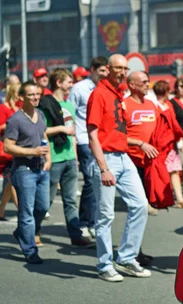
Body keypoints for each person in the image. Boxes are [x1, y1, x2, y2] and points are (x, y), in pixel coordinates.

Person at [87, 54, 150, 282]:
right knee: (105, 215)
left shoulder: (118, 93)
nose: (122, 72)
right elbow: (92, 134)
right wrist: (103, 168)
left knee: (140, 205)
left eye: (125, 68)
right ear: (107, 69)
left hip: (123, 157)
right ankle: (104, 264)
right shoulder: (99, 94)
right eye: (118, 68)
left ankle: (126, 257)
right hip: (107, 159)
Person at [40, 68, 93, 247]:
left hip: (70, 158)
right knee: (45, 201)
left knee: (70, 200)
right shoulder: (46, 104)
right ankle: (33, 231)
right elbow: (42, 131)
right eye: (69, 82)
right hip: (54, 159)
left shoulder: (69, 106)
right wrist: (61, 129)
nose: (71, 85)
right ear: (58, 83)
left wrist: (76, 158)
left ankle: (75, 235)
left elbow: (74, 135)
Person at [3, 81, 51, 264]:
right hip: (24, 171)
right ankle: (30, 250)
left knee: (43, 207)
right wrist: (33, 152)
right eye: (31, 95)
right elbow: (8, 147)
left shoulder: (40, 114)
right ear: (21, 98)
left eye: (37, 94)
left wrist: (49, 159)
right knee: (27, 212)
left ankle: (22, 232)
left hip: (41, 170)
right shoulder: (16, 119)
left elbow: (44, 137)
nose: (35, 97)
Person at [69, 56, 109, 237]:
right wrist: (73, 140)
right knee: (90, 182)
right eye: (101, 71)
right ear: (92, 69)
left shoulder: (106, 88)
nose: (104, 74)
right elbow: (70, 113)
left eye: (107, 71)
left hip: (102, 141)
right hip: (85, 140)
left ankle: (93, 221)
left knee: (98, 183)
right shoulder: (79, 88)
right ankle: (85, 222)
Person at [123, 71, 160, 216]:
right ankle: (141, 206)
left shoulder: (151, 104)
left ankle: (147, 203)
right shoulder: (124, 105)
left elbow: (159, 128)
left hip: (150, 156)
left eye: (148, 81)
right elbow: (118, 135)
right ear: (132, 85)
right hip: (131, 156)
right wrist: (140, 143)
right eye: (144, 82)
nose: (147, 85)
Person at [153, 81, 183, 208]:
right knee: (161, 172)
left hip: (169, 143)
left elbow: (173, 124)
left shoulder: (166, 104)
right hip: (160, 144)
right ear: (166, 91)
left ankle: (179, 199)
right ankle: (162, 198)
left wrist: (179, 140)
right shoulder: (154, 105)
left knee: (173, 170)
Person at [0, 82, 21, 220]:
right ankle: (21, 210)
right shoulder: (3, 108)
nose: (21, 95)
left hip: (20, 147)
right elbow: (0, 126)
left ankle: (1, 209)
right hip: (9, 148)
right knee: (13, 180)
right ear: (13, 93)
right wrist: (16, 122)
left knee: (10, 183)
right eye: (19, 92)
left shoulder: (20, 106)